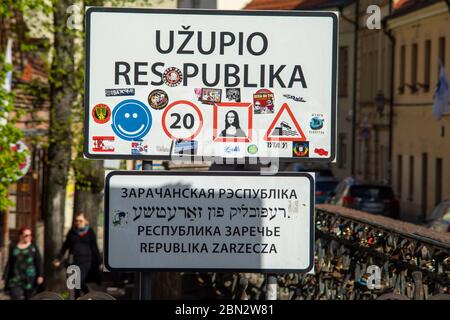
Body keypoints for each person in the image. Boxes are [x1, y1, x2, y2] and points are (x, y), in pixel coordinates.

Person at [53, 213, 101, 298]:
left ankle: (89, 296)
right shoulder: (72, 232)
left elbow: (94, 247)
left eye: (80, 220)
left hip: (86, 261)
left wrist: (99, 261)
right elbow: (65, 246)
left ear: (86, 221)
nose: (78, 222)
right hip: (74, 260)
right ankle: (78, 297)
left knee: (79, 280)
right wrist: (58, 259)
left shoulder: (90, 232)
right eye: (76, 221)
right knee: (75, 282)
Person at [2, 227, 44, 300]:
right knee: (16, 296)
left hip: (30, 279)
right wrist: (4, 276)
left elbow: (39, 262)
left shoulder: (33, 247)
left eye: (30, 235)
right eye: (26, 235)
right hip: (15, 278)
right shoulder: (14, 247)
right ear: (20, 236)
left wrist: (40, 275)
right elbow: (10, 263)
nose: (29, 237)